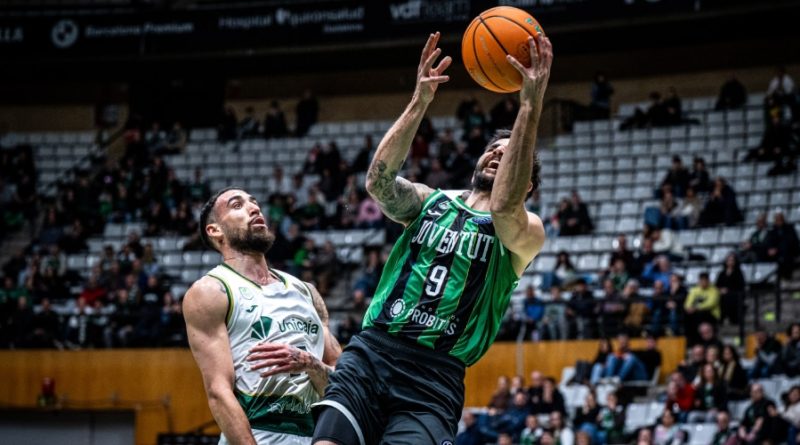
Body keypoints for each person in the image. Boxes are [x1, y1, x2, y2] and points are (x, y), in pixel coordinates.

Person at [312, 31, 552, 445]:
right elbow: (379, 183)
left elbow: (503, 209)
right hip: (373, 352)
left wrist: (529, 103)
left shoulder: (525, 230)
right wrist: (419, 101)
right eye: (494, 147)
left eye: (512, 153)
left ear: (526, 184)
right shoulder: (430, 200)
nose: (498, 152)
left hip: (434, 377)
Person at [183, 187, 341, 445]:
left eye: (254, 203)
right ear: (215, 231)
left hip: (315, 435)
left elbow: (341, 381)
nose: (254, 208)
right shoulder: (211, 291)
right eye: (237, 205)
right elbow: (218, 391)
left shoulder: (306, 292)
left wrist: (312, 365)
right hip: (257, 435)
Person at [715, 253, 745, 325]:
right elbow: (717, 285)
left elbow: (740, 286)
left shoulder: (739, 273)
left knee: (729, 298)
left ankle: (732, 319)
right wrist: (720, 290)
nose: (730, 262)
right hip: (722, 294)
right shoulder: (721, 273)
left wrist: (728, 290)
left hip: (735, 294)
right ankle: (721, 319)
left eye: (732, 260)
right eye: (728, 260)